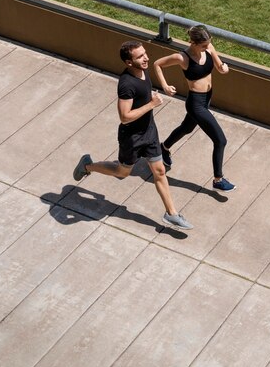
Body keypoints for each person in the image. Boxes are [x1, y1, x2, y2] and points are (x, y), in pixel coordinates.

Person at [72, 40, 193, 230]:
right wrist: (151, 104)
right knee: (122, 172)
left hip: (149, 132)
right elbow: (124, 117)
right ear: (129, 62)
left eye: (145, 54)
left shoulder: (143, 70)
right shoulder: (126, 84)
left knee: (159, 171)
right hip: (132, 137)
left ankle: (172, 214)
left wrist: (162, 89)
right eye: (140, 57)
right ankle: (87, 165)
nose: (146, 58)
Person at [153, 25, 235, 191]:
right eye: (203, 46)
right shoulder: (183, 58)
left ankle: (164, 148)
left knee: (186, 128)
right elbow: (157, 64)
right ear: (194, 43)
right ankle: (218, 179)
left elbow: (219, 66)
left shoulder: (208, 47)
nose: (207, 48)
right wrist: (165, 86)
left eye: (208, 44)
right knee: (220, 140)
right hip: (196, 103)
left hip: (207, 98)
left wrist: (223, 68)